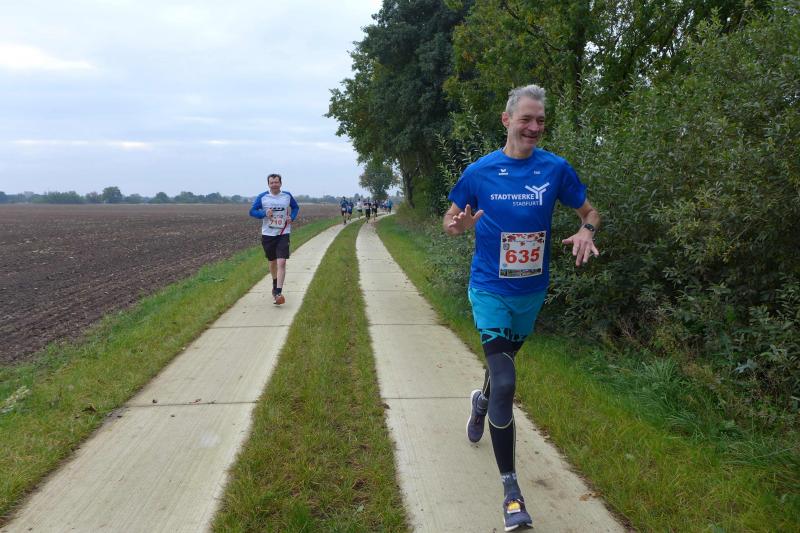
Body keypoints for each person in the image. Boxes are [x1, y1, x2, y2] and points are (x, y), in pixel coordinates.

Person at [443, 84, 600, 532]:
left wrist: (587, 230)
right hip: (489, 289)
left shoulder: (555, 169)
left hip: (531, 293)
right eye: (526, 119)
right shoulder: (479, 172)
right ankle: (511, 492)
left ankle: (481, 402)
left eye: (540, 121)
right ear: (506, 120)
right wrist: (458, 227)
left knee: (501, 373)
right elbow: (449, 220)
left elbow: (590, 212)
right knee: (508, 381)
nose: (534, 127)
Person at [249, 173, 300, 305]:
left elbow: (295, 207)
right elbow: (252, 211)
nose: (274, 185)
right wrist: (264, 213)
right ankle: (274, 282)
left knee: (281, 262)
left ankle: (278, 292)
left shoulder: (287, 196)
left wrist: (292, 217)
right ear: (268, 184)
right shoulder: (262, 197)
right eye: (272, 183)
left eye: (276, 182)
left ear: (280, 183)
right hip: (268, 234)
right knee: (272, 262)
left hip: (283, 232)